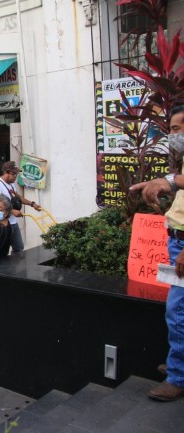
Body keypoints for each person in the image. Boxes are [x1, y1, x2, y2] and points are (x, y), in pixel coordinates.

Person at [129, 104, 184, 402]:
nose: (173, 135)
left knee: (177, 311)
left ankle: (179, 375)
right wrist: (162, 184)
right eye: (172, 129)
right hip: (177, 239)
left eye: (178, 128)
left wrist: (170, 181)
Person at [0, 161, 42, 253]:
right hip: (2, 224)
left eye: (16, 174)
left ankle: (14, 266)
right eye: (13, 174)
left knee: (19, 247)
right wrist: (13, 211)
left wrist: (32, 204)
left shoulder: (11, 184)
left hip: (13, 222)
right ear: (5, 172)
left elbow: (18, 197)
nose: (15, 177)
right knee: (0, 250)